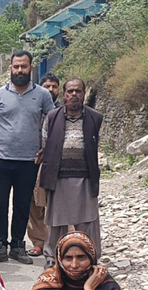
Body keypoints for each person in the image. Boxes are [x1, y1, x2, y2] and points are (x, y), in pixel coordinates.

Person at [0, 51, 55, 265]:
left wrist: (45, 148)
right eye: (16, 66)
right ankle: (0, 245)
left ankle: (17, 245)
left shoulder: (43, 95)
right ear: (10, 68)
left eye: (23, 66)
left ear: (30, 68)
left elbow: (51, 122)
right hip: (2, 161)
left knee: (22, 205)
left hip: (29, 161)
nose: (19, 71)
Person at [40, 78, 104, 266]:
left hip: (85, 177)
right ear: (63, 94)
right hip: (58, 177)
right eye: (70, 91)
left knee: (87, 221)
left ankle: (90, 257)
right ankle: (52, 258)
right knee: (56, 221)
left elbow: (95, 144)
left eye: (78, 91)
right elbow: (46, 144)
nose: (74, 94)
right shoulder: (51, 117)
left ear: (84, 94)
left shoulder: (95, 118)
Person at [27, 73, 61, 257]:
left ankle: (61, 242)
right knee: (35, 205)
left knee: (57, 204)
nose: (50, 90)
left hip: (56, 165)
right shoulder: (34, 109)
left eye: (54, 86)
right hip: (32, 162)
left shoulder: (64, 112)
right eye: (47, 86)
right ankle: (38, 242)